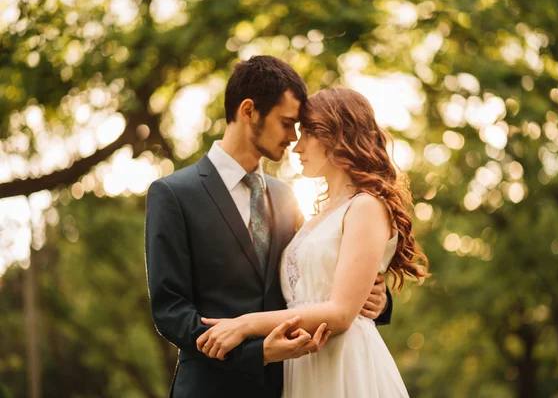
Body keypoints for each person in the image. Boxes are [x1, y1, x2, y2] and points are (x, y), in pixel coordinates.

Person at [145, 57, 393, 398]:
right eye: (287, 123)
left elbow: (321, 272)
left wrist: (378, 297)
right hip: (211, 388)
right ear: (249, 111)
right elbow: (170, 311)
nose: (293, 138)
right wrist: (255, 352)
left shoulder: (285, 197)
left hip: (291, 384)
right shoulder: (174, 194)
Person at [197, 87, 430, 397]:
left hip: (345, 364)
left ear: (336, 135)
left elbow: (341, 314)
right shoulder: (315, 216)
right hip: (303, 365)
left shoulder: (366, 206)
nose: (297, 147)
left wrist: (244, 325)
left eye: (307, 134)